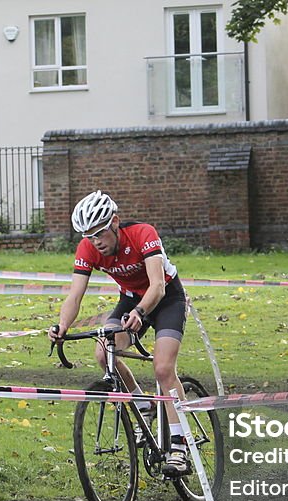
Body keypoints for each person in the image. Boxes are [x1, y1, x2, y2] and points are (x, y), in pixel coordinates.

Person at [48, 190, 192, 476]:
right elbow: (75, 295)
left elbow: (157, 286)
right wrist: (62, 326)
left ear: (115, 222)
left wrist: (140, 313)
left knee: (163, 369)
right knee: (104, 351)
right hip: (130, 299)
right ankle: (143, 404)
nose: (96, 242)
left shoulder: (142, 234)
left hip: (165, 298)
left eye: (100, 233)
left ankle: (180, 444)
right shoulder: (88, 248)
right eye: (89, 236)